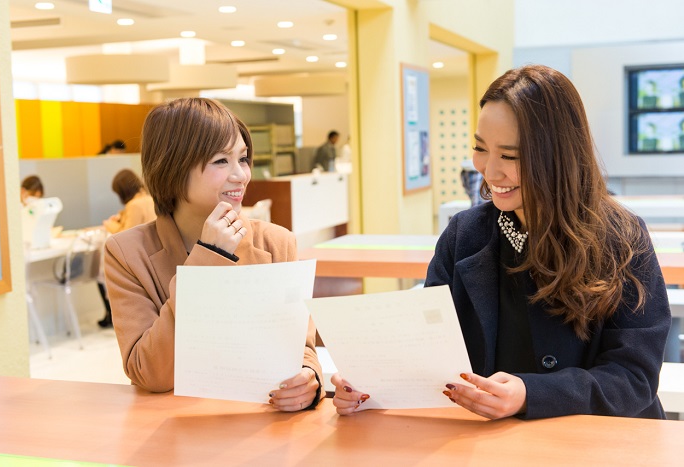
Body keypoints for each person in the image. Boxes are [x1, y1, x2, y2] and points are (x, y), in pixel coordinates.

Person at [332, 65, 670, 420]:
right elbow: (427, 349)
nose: (490, 171)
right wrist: (366, 383)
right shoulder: (465, 235)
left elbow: (634, 378)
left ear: (558, 155)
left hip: (596, 443)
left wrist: (530, 394)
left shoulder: (621, 238)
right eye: (480, 148)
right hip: (488, 444)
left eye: (509, 156)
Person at [103, 97, 322, 411]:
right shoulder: (126, 253)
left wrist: (308, 379)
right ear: (172, 167)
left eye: (243, 159)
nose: (241, 175)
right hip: (173, 431)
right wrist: (208, 258)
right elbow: (149, 373)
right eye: (222, 161)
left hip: (265, 428)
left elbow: (301, 349)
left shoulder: (277, 243)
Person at [97, 169, 157, 328]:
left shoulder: (134, 205)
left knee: (101, 274)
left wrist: (110, 225)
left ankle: (109, 315)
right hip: (152, 256)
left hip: (137, 259)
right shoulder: (150, 198)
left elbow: (125, 236)